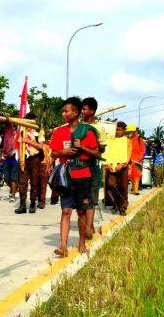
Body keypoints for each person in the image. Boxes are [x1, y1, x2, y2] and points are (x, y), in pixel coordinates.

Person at [49, 97, 100, 257]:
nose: (63, 114)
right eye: (63, 111)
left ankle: (81, 243)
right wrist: (62, 153)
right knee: (65, 211)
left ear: (76, 112)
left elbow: (97, 154)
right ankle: (63, 246)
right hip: (66, 177)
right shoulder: (59, 132)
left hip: (84, 176)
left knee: (82, 212)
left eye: (66, 111)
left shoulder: (88, 131)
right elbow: (52, 152)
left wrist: (82, 147)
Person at [81, 97, 105, 238]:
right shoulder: (77, 127)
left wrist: (92, 142)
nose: (82, 112)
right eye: (82, 109)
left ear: (92, 111)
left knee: (91, 199)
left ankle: (89, 227)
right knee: (81, 200)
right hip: (78, 168)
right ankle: (86, 225)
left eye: (84, 109)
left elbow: (102, 149)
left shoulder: (99, 128)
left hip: (93, 168)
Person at [15, 112, 47, 214]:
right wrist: (21, 160)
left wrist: (28, 141)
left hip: (35, 159)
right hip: (25, 159)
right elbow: (20, 147)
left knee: (34, 182)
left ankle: (33, 203)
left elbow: (41, 147)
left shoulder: (39, 131)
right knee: (22, 182)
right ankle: (22, 204)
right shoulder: (22, 132)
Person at [103, 121, 131, 214]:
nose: (117, 132)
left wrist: (122, 164)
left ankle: (122, 207)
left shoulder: (127, 141)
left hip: (122, 166)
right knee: (111, 185)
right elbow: (106, 153)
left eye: (119, 130)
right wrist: (108, 164)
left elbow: (128, 154)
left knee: (123, 187)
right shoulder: (110, 140)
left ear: (123, 131)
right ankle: (114, 203)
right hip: (111, 166)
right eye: (116, 130)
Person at [1, 125, 20, 202]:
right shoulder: (6, 138)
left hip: (15, 160)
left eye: (13, 130)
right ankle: (13, 189)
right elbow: (2, 148)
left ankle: (13, 195)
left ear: (15, 131)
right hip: (7, 160)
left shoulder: (17, 137)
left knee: (13, 178)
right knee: (6, 178)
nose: (11, 131)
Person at [127, 125, 146, 195]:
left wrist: (138, 158)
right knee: (131, 175)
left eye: (131, 132)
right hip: (129, 161)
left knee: (137, 175)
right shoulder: (127, 140)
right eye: (128, 132)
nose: (129, 133)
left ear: (135, 132)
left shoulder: (139, 140)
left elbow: (142, 151)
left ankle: (136, 190)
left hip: (137, 161)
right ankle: (134, 189)